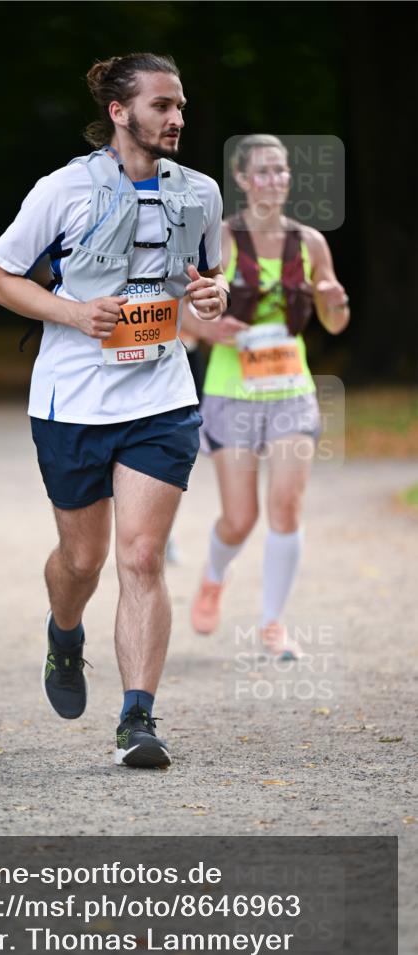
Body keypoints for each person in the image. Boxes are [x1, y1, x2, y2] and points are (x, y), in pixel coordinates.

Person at [0, 53, 228, 768]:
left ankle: (138, 720)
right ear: (119, 112)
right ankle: (66, 634)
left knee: (142, 556)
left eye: (180, 105)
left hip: (161, 396)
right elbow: (2, 280)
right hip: (73, 399)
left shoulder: (201, 194)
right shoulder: (60, 190)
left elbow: (202, 282)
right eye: (161, 106)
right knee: (83, 559)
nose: (176, 118)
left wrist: (210, 301)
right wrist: (70, 311)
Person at [186, 134, 349, 657]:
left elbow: (335, 322)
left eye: (281, 171)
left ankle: (273, 624)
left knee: (286, 505)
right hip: (232, 392)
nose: (274, 180)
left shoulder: (311, 243)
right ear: (241, 179)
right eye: (262, 172)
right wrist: (213, 330)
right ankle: (213, 575)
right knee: (241, 518)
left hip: (291, 391)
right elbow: (187, 315)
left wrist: (333, 302)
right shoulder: (223, 239)